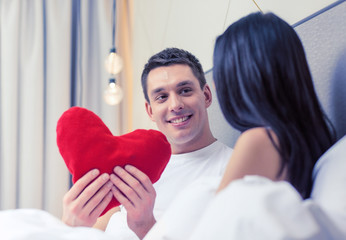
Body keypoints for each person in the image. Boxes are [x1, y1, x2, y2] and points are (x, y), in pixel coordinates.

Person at [61, 48, 233, 239]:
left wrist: (146, 227)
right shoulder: (133, 166)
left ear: (207, 96)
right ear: (150, 111)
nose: (175, 105)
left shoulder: (234, 168)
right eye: (162, 97)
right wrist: (69, 226)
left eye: (185, 91)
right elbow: (89, 230)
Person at [212, 12, 336, 198]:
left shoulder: (259, 140)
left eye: (219, 73)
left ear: (238, 79)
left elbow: (217, 223)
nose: (215, 84)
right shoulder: (314, 135)